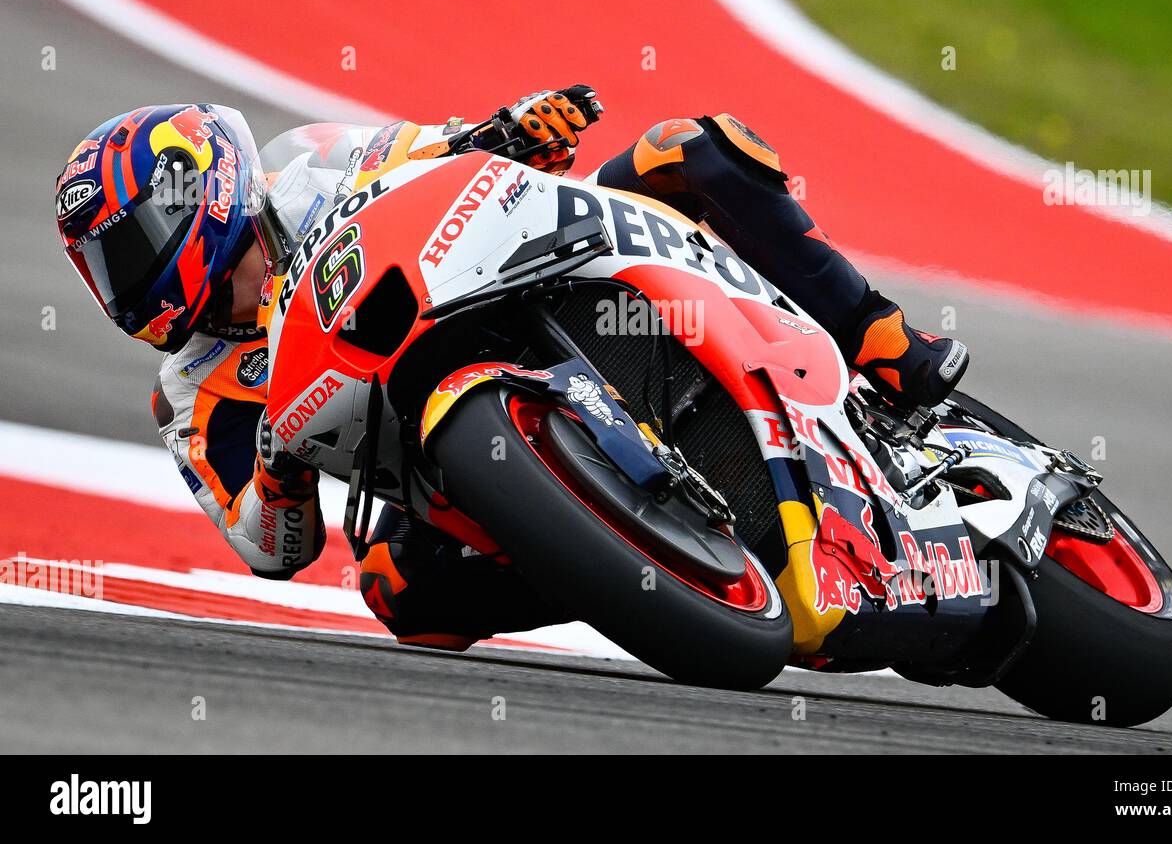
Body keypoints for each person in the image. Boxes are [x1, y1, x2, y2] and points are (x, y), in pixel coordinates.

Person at [54, 89, 968, 648]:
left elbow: (434, 153)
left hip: (508, 290)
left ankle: (879, 339)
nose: (122, 282)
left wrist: (519, 128)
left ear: (199, 188)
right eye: (102, 269)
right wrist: (281, 467)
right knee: (398, 592)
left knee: (686, 151)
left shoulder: (307, 170)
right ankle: (645, 569)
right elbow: (268, 549)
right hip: (433, 459)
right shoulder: (190, 392)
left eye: (127, 247)